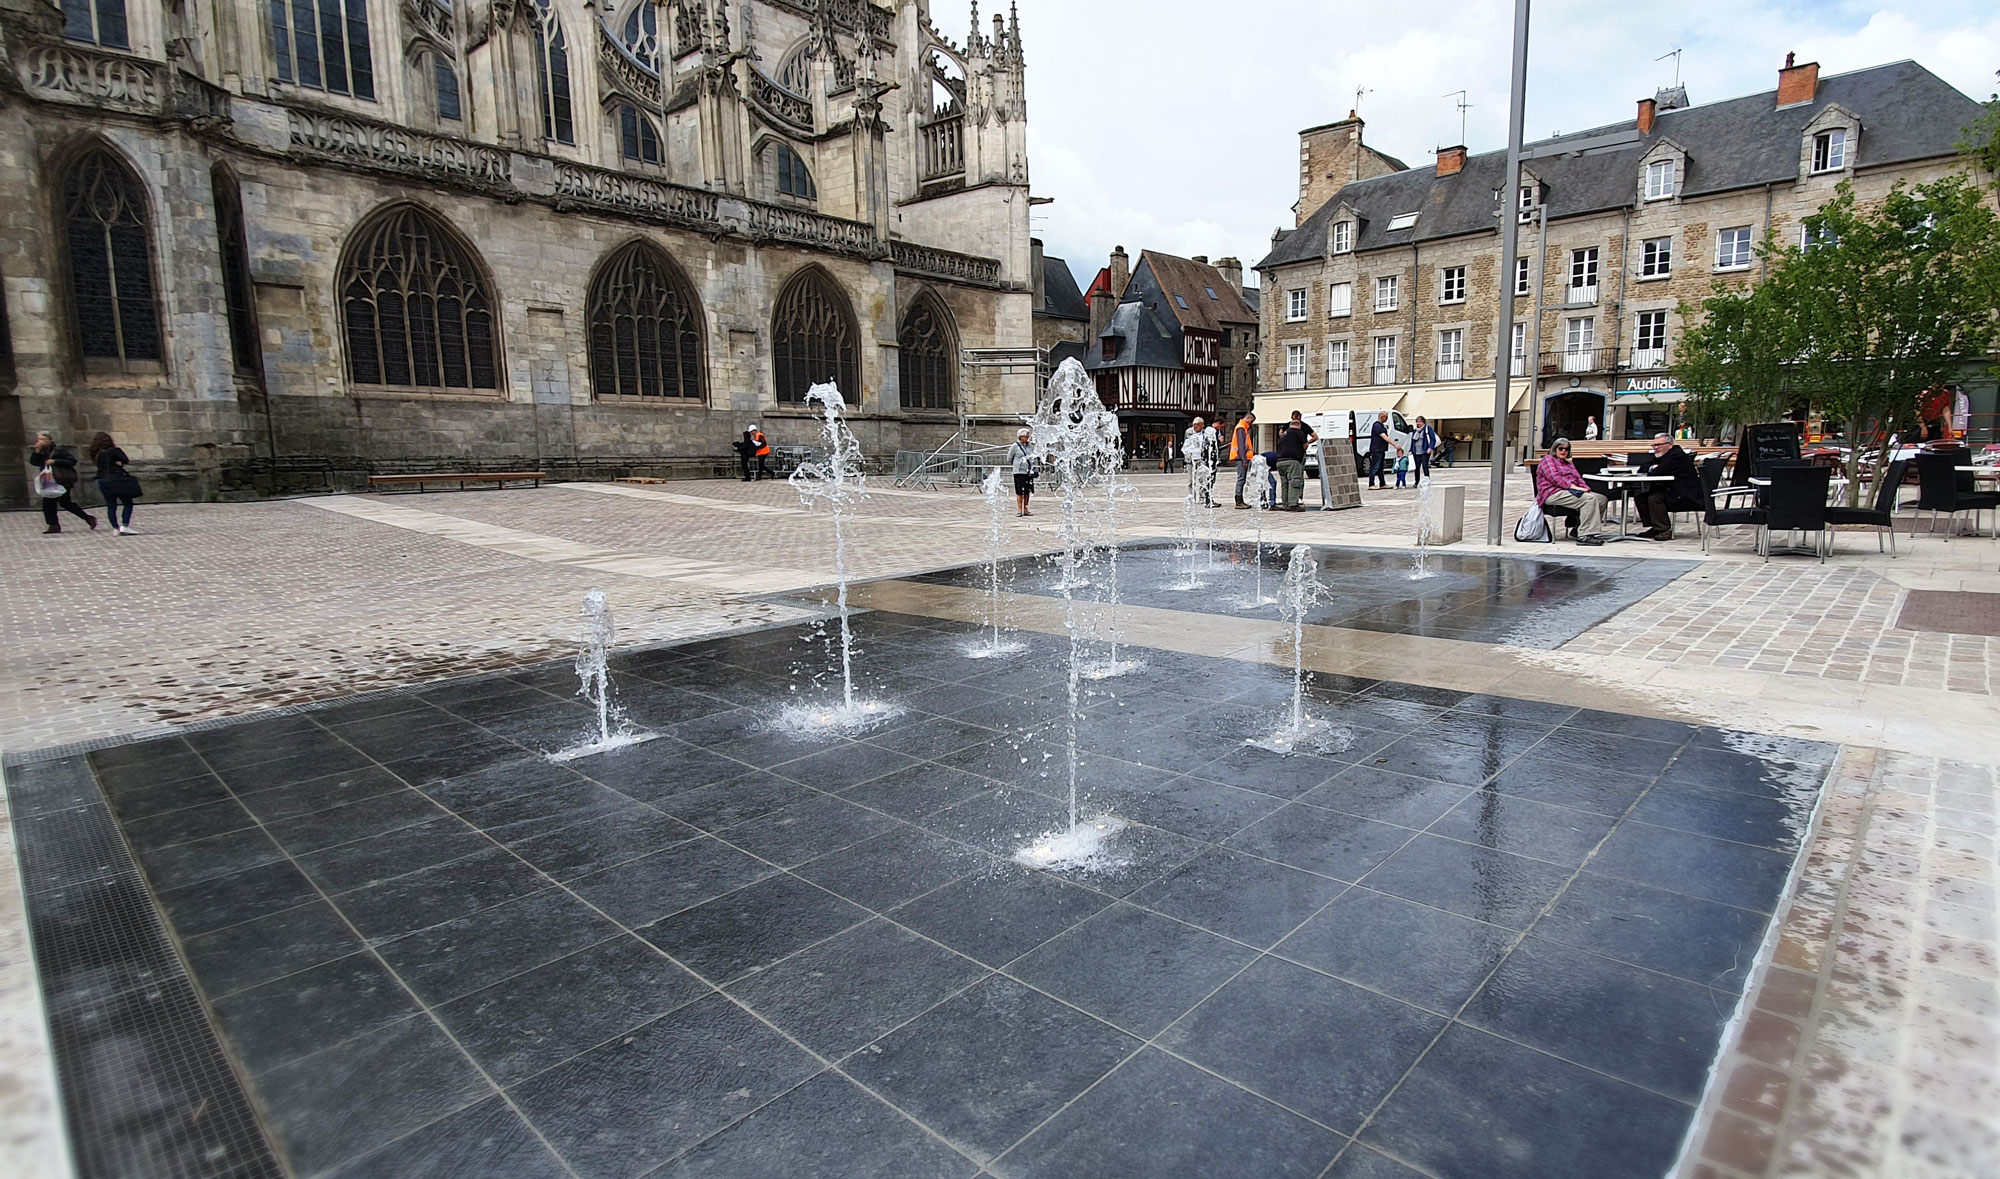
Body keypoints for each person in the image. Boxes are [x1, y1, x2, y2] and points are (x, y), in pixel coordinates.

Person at [1535, 438, 1608, 545]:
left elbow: (1579, 478)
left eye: (1566, 449)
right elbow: (1555, 478)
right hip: (1553, 493)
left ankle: (1578, 528)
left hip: (1571, 492)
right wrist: (1574, 487)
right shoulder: (1548, 460)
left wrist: (1585, 488)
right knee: (1589, 500)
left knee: (1601, 499)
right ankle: (1585, 535)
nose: (1564, 451)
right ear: (1555, 449)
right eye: (1561, 449)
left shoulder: (1568, 463)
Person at [1632, 433, 1701, 541]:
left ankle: (1663, 529)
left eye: (1659, 445)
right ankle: (1655, 527)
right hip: (1671, 490)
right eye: (1654, 445)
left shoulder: (1676, 456)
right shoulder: (1662, 455)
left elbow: (1657, 473)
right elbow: (1642, 468)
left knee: (1654, 498)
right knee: (1641, 497)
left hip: (1685, 494)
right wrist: (1652, 467)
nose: (1656, 448)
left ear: (1670, 445)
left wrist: (1654, 469)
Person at [28, 431, 98, 535]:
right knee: (48, 503)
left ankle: (88, 518)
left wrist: (55, 461)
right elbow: (34, 462)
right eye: (38, 440)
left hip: (61, 480)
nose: (40, 442)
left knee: (65, 503)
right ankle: (53, 525)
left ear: (49, 440)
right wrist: (37, 451)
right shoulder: (42, 452)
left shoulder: (58, 450)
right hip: (49, 481)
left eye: (42, 439)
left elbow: (72, 461)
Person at [88, 432, 141, 535]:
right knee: (127, 503)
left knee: (111, 505)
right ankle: (125, 525)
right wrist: (118, 463)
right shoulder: (114, 451)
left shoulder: (95, 454)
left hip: (101, 480)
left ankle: (115, 528)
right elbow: (125, 460)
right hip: (115, 480)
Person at [1274, 412, 1316, 511]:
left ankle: (1285, 504)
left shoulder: (1284, 434)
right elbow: (1305, 445)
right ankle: (1293, 504)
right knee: (1294, 481)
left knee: (1285, 484)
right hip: (1292, 460)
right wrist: (1304, 447)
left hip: (1280, 461)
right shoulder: (1299, 432)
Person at [1184, 416, 1219, 507]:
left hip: (1202, 459)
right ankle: (1193, 497)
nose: (1196, 427)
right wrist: (1187, 457)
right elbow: (1186, 445)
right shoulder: (1189, 432)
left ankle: (1203, 497)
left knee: (1203, 480)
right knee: (1191, 481)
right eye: (1195, 425)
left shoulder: (1205, 433)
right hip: (1191, 460)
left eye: (1199, 425)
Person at [1230, 411, 1257, 508]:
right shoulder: (1241, 428)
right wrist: (1244, 459)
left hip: (1242, 458)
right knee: (1241, 479)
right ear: (1248, 418)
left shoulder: (1243, 427)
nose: (1251, 424)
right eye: (1251, 421)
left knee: (1242, 479)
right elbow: (1241, 445)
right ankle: (1238, 501)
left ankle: (1240, 500)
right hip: (1241, 458)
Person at [1008, 427, 1036, 516]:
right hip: (1019, 472)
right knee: (1019, 491)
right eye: (1025, 436)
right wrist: (1018, 464)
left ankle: (1026, 509)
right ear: (1020, 437)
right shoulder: (1015, 446)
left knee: (1027, 491)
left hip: (1028, 472)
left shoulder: (1030, 446)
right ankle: (1019, 510)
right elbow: (1009, 458)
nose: (1027, 438)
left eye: (1028, 436)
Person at [1409, 415, 1440, 484]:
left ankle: (1427, 480)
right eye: (1417, 422)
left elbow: (1433, 439)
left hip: (1425, 451)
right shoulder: (1415, 431)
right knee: (1416, 467)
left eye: (1419, 421)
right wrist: (1411, 449)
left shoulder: (1428, 429)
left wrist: (1431, 448)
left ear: (1423, 422)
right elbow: (1412, 441)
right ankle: (1416, 482)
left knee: (1425, 466)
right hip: (1416, 451)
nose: (1418, 423)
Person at [1365, 411, 1392, 489]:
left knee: (1380, 467)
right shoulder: (1377, 425)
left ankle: (1382, 483)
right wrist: (1395, 444)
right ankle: (1371, 484)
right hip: (1377, 449)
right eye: (1386, 417)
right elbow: (1384, 436)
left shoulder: (1380, 425)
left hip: (1381, 449)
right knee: (1374, 467)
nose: (1386, 419)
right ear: (1382, 417)